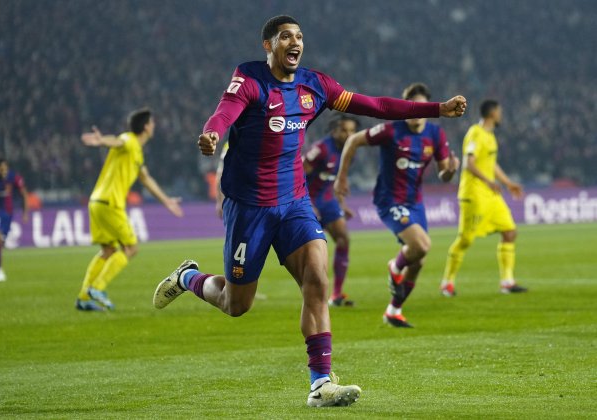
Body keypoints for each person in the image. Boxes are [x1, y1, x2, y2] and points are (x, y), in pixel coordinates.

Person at [152, 15, 466, 407]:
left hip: (295, 202)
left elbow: (375, 105)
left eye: (299, 36)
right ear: (268, 45)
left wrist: (438, 109)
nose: (295, 42)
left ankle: (320, 383)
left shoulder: (316, 86)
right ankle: (189, 277)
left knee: (317, 274)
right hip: (249, 208)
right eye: (285, 36)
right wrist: (213, 132)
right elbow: (226, 109)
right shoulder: (249, 79)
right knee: (237, 305)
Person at [335, 83, 460, 328]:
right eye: (413, 108)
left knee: (419, 260)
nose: (418, 112)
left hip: (415, 203)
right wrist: (341, 177)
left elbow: (444, 174)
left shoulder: (435, 135)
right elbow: (352, 141)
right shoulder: (391, 130)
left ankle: (394, 310)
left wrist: (451, 171)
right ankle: (394, 265)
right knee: (421, 245)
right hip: (390, 200)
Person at [77, 108, 184, 311]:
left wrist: (167, 201)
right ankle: (97, 288)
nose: (154, 126)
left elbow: (146, 179)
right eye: (152, 123)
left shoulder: (136, 152)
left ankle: (83, 298)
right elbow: (117, 141)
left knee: (108, 251)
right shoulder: (129, 140)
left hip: (97, 201)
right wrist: (101, 141)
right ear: (145, 126)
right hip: (110, 203)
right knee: (131, 248)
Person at [440, 100, 527, 296]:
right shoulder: (475, 133)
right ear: (492, 113)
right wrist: (488, 182)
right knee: (465, 240)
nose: (501, 115)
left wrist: (508, 183)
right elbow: (469, 163)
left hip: (491, 194)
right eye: (499, 111)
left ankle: (507, 281)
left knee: (510, 232)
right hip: (474, 194)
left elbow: (491, 164)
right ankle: (447, 282)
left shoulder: (490, 136)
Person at [303, 114, 359, 307]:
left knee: (344, 239)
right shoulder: (321, 149)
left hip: (328, 201)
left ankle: (336, 295)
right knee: (315, 252)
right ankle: (314, 295)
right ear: (334, 130)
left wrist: (342, 204)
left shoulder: (349, 150)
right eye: (344, 130)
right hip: (308, 200)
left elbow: (338, 179)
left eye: (352, 131)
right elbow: (298, 174)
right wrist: (307, 203)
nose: (348, 134)